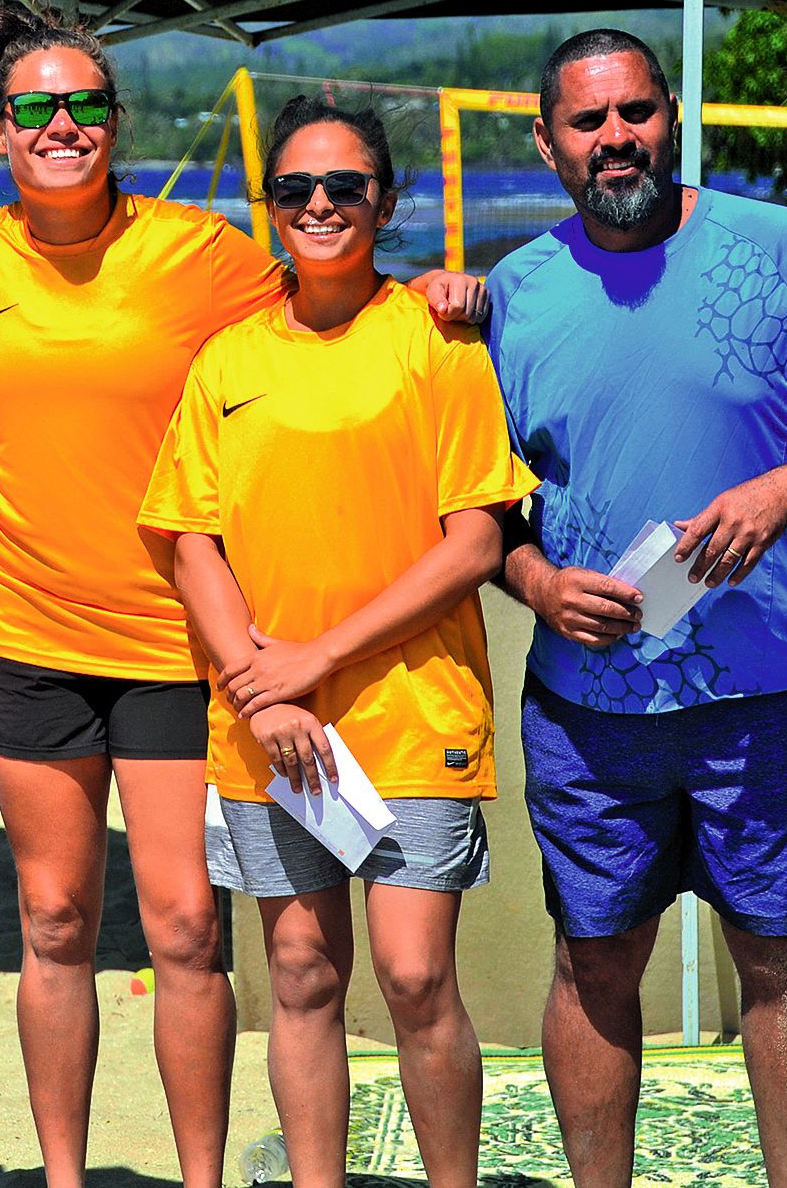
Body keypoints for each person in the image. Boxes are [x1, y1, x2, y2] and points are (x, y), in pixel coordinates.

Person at [0, 0, 488, 1188]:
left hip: (177, 647)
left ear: (115, 121)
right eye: (35, 106)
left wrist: (450, 286)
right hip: (23, 630)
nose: (61, 122)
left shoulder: (202, 253)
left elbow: (330, 288)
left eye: (83, 102)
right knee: (54, 924)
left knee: (185, 927)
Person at [486, 28, 787, 1188]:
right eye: (585, 122)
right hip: (587, 706)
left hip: (771, 693)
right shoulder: (517, 292)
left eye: (633, 111)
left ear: (669, 115)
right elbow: (473, 506)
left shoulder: (778, 249)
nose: (613, 137)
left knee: (782, 961)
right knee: (592, 964)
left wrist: (785, 485)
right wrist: (533, 579)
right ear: (544, 142)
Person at [141, 96, 538, 1188]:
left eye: (344, 186)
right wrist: (261, 692)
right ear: (270, 205)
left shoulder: (435, 341)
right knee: (302, 972)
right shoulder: (225, 359)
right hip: (267, 726)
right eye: (295, 189)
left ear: (384, 201)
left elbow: (472, 541)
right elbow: (186, 537)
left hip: (411, 712)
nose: (318, 204)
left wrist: (312, 662)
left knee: (413, 977)